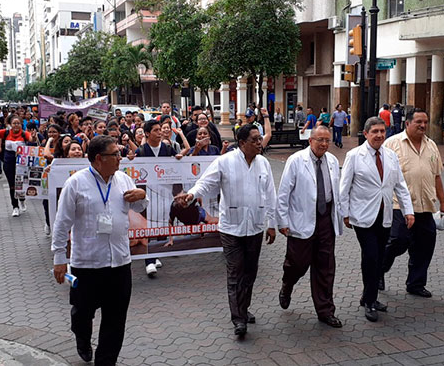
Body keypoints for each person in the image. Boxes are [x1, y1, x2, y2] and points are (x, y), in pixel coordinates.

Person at [51, 135, 148, 365]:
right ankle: (82, 338)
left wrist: (142, 197)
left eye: (119, 153)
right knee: (82, 314)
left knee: (115, 319)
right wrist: (58, 257)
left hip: (120, 262)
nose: (119, 158)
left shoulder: (124, 180)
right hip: (87, 264)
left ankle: (105, 361)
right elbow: (62, 222)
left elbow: (138, 206)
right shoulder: (76, 184)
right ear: (98, 159)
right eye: (114, 154)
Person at [175, 124, 277, 337]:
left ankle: (243, 307)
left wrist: (272, 224)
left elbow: (270, 195)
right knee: (235, 272)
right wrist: (192, 195)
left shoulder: (264, 164)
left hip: (256, 226)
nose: (260, 143)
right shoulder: (224, 162)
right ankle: (238, 319)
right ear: (242, 143)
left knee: (250, 272)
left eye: (260, 139)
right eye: (255, 140)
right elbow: (204, 184)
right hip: (231, 228)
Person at [339, 117, 414, 322]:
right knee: (371, 257)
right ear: (366, 134)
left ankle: (367, 295)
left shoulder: (390, 156)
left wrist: (409, 211)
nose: (380, 135)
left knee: (379, 257)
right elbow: (344, 188)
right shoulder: (354, 156)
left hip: (385, 215)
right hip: (362, 216)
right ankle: (370, 300)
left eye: (382, 131)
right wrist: (344, 213)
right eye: (375, 132)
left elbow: (400, 185)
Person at [276, 125, 343, 328]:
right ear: (310, 140)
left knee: (325, 267)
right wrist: (282, 221)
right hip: (302, 219)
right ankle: (287, 285)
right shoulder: (296, 160)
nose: (324, 144)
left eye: (327, 140)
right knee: (297, 263)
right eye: (320, 140)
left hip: (325, 221)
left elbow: (337, 193)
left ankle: (325, 311)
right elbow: (284, 192)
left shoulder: (332, 161)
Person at [381, 109, 444, 298]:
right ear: (407, 123)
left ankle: (416, 283)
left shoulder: (432, 145)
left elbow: (437, 176)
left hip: (426, 205)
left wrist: (443, 202)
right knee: (398, 240)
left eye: (425, 122)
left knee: (425, 244)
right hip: (399, 205)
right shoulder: (392, 144)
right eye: (418, 121)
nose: (423, 125)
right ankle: (379, 269)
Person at [135, 120, 181, 276]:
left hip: (165, 193)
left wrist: (180, 158)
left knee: (162, 223)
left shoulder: (168, 148)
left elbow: (180, 161)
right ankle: (149, 260)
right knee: (150, 225)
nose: (160, 132)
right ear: (147, 133)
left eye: (160, 129)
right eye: (156, 130)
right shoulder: (141, 150)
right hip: (149, 193)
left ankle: (155, 254)